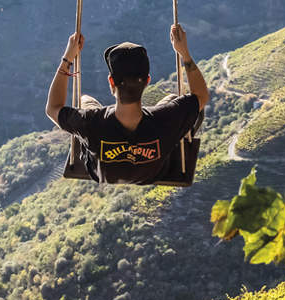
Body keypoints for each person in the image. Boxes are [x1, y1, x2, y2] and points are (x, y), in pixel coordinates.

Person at [44, 25, 210, 184]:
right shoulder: (166, 119)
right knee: (180, 101)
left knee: (85, 100)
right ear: (147, 82)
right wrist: (184, 53)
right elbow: (201, 96)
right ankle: (179, 134)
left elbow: (53, 108)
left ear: (111, 82)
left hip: (101, 173)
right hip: (152, 173)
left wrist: (68, 58)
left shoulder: (90, 122)